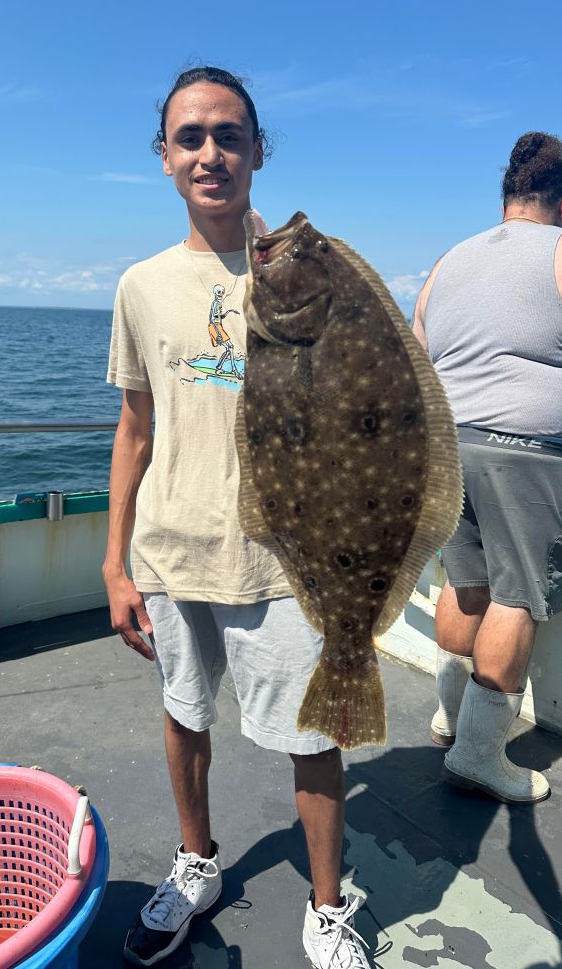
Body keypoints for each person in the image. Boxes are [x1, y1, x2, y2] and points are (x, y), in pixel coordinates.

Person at [103, 66, 372, 968]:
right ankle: (196, 862)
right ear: (166, 159)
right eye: (191, 137)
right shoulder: (140, 285)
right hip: (173, 551)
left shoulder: (313, 272)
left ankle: (327, 906)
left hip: (287, 556)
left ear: (259, 151)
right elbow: (136, 426)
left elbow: (365, 412)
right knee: (185, 714)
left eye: (229, 135)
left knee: (315, 733)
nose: (211, 153)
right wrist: (114, 564)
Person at [412, 132, 562, 805]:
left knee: (467, 582)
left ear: (508, 200)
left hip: (446, 446)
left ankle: (451, 719)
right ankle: (481, 755)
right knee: (517, 597)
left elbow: (418, 365)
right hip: (528, 454)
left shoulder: (449, 263)